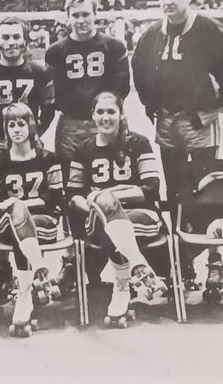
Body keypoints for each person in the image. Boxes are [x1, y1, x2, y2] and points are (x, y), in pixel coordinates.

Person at [131, 0, 223, 285]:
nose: (167, 3)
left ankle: (214, 260)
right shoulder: (152, 34)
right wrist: (149, 104)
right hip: (167, 121)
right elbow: (138, 67)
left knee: (207, 189)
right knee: (174, 192)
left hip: (198, 121)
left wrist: (221, 106)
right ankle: (181, 262)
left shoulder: (209, 29)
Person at [66, 92, 168, 327]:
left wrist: (107, 196)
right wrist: (95, 203)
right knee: (110, 223)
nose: (105, 117)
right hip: (99, 221)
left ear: (121, 114)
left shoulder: (139, 143)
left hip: (142, 217)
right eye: (100, 112)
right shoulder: (83, 149)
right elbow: (73, 196)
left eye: (111, 111)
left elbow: (151, 188)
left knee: (112, 220)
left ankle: (122, 289)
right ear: (92, 116)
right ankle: (137, 267)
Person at [0, 103, 65, 337]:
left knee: (21, 217)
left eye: (21, 124)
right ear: (5, 129)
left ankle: (24, 293)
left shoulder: (48, 158)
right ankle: (34, 279)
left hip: (43, 223)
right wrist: (5, 206)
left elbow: (56, 197)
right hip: (6, 225)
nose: (16, 129)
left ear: (31, 126)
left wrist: (21, 206)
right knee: (17, 222)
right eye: (11, 125)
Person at [44, 0, 130, 164]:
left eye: (85, 14)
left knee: (112, 176)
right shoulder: (55, 52)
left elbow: (121, 89)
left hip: (106, 120)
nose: (81, 20)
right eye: (75, 15)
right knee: (71, 180)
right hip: (71, 123)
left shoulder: (113, 47)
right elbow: (54, 94)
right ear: (67, 17)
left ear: (95, 14)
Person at [0, 17, 56, 166]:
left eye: (16, 37)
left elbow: (49, 110)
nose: (11, 42)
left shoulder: (40, 73)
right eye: (5, 37)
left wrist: (33, 133)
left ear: (24, 40)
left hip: (31, 143)